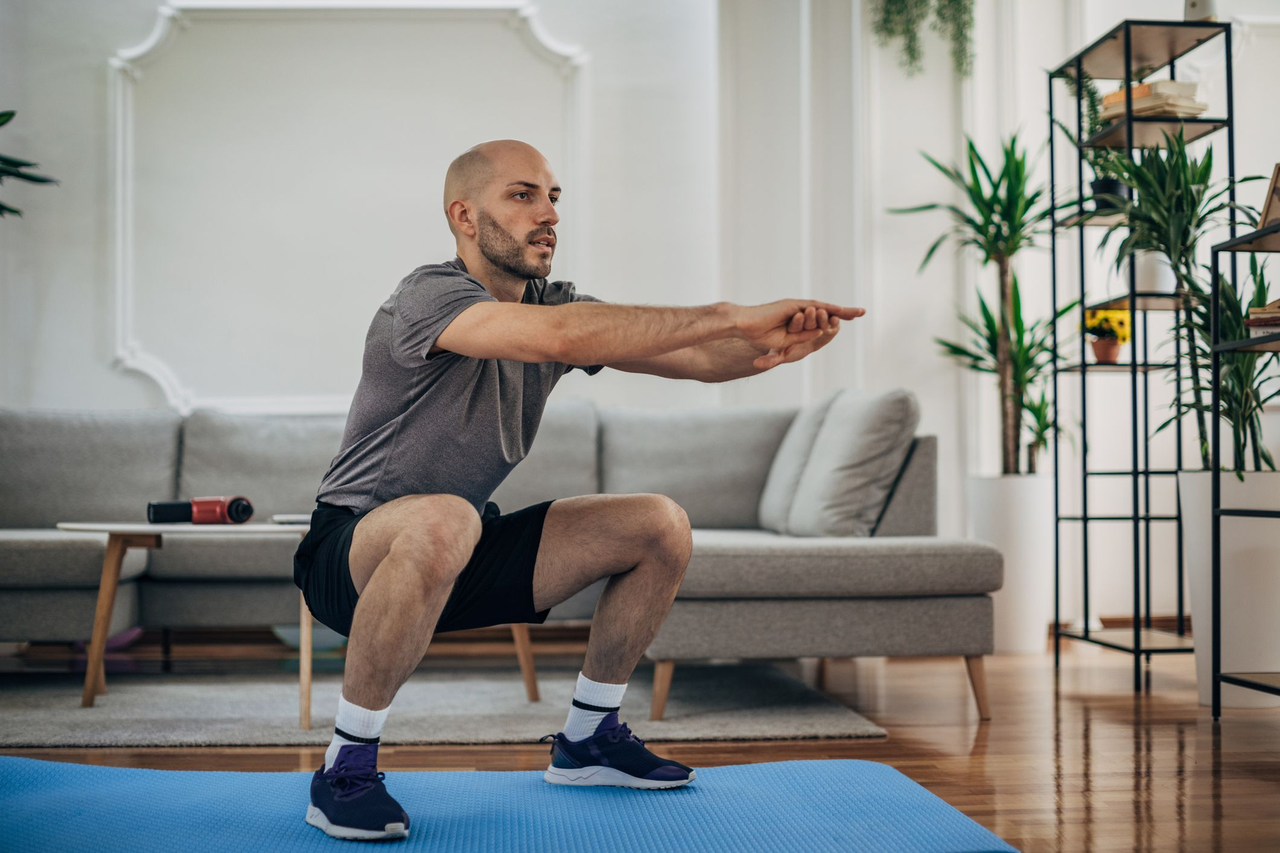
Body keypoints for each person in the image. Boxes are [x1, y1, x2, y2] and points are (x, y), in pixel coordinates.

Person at [292, 139, 865, 841]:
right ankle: (346, 765)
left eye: (554, 197)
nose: (548, 214)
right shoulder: (428, 295)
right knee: (444, 520)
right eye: (523, 195)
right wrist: (728, 311)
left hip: (461, 541)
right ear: (465, 216)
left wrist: (773, 347)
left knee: (658, 523)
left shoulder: (554, 302)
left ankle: (590, 738)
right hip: (353, 551)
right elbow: (560, 338)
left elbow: (690, 355)